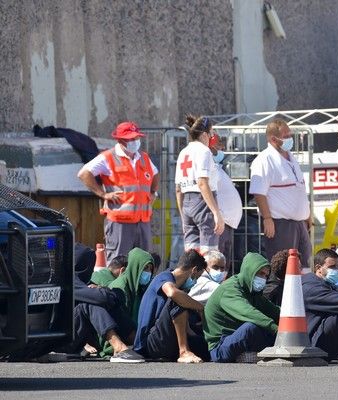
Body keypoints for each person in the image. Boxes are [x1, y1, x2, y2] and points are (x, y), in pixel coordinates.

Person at [77, 121, 158, 263]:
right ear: (121, 140)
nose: (135, 141)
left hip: (142, 221)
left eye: (136, 138)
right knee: (118, 263)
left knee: (144, 263)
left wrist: (154, 192)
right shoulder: (108, 157)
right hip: (120, 223)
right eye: (131, 139)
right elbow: (84, 173)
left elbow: (155, 173)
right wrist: (103, 194)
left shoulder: (143, 157)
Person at [249, 118, 312, 268]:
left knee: (305, 267)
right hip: (281, 224)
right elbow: (259, 193)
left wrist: (307, 214)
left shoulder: (291, 157)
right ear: (273, 138)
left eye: (290, 134)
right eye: (286, 136)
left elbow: (299, 189)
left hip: (299, 223)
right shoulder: (264, 160)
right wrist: (267, 218)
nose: (290, 139)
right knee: (284, 268)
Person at [71, 244, 143, 363]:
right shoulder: (70, 280)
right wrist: (104, 291)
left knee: (102, 300)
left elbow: (108, 297)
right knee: (90, 303)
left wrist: (103, 291)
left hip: (78, 337)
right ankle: (119, 348)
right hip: (61, 341)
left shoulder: (84, 280)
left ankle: (137, 341)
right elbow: (101, 297)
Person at [134, 249, 209, 363]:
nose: (195, 282)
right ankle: (184, 352)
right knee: (178, 299)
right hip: (151, 343)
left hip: (166, 341)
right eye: (196, 278)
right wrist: (200, 307)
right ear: (193, 270)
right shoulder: (164, 277)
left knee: (206, 349)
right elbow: (172, 293)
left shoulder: (181, 288)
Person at [204, 253, 279, 363]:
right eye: (260, 274)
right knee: (252, 327)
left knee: (265, 325)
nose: (263, 279)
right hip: (220, 347)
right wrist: (276, 329)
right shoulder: (230, 290)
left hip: (236, 339)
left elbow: (272, 310)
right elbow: (248, 313)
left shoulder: (252, 292)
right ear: (250, 272)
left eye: (265, 276)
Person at [175, 115, 224, 253]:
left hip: (186, 204)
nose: (212, 136)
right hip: (203, 203)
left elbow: (178, 189)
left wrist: (182, 214)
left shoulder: (183, 153)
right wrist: (216, 212)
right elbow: (202, 182)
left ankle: (192, 274)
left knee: (191, 254)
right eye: (211, 133)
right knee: (210, 253)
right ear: (204, 134)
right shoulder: (204, 151)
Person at [209, 133, 242, 271]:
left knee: (224, 265)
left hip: (226, 224)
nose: (222, 147)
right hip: (219, 224)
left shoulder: (217, 168)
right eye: (218, 144)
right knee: (217, 264)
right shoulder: (209, 168)